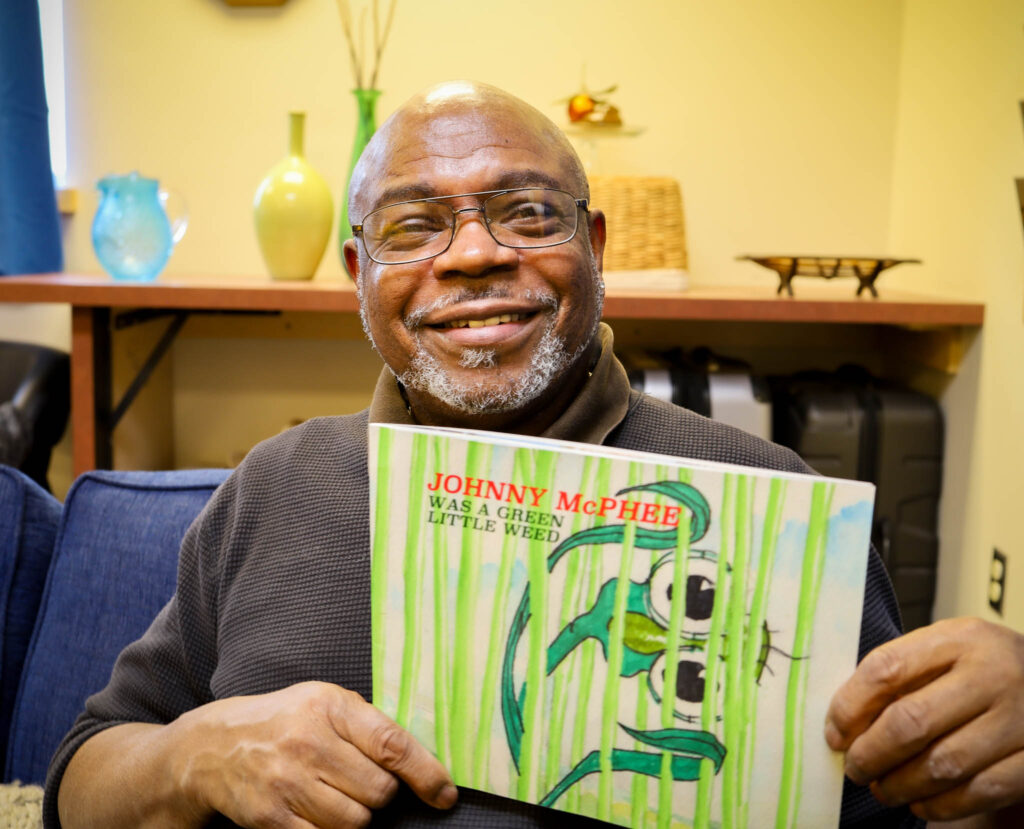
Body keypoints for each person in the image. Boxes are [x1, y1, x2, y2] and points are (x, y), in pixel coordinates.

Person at [48, 81, 1023, 829]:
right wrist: (190, 756)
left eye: (526, 213)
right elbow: (77, 777)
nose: (472, 253)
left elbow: (910, 799)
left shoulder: (778, 507)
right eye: (412, 225)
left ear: (594, 247)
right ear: (358, 273)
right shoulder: (275, 483)